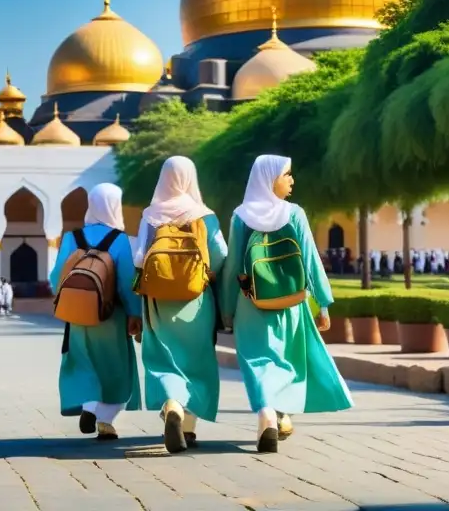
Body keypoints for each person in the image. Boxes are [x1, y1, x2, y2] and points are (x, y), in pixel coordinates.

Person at [220, 155, 353, 453]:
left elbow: (232, 268)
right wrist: (323, 303)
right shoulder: (294, 213)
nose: (292, 181)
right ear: (270, 179)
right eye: (287, 175)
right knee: (287, 361)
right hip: (291, 303)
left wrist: (226, 309)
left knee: (257, 362)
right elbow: (310, 259)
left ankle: (266, 414)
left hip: (250, 304)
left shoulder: (241, 215)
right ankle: (280, 415)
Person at [134, 156, 227, 454]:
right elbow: (221, 253)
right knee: (197, 362)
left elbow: (139, 258)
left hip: (158, 298)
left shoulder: (151, 215)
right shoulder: (203, 215)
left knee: (164, 358)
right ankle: (188, 426)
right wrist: (206, 273)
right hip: (196, 299)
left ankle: (171, 404)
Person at [51, 183, 142, 440]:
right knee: (113, 367)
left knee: (83, 362)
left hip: (78, 315)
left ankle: (89, 407)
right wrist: (135, 314)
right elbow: (126, 281)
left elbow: (56, 276)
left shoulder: (72, 237)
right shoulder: (119, 239)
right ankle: (105, 421)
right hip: (110, 316)